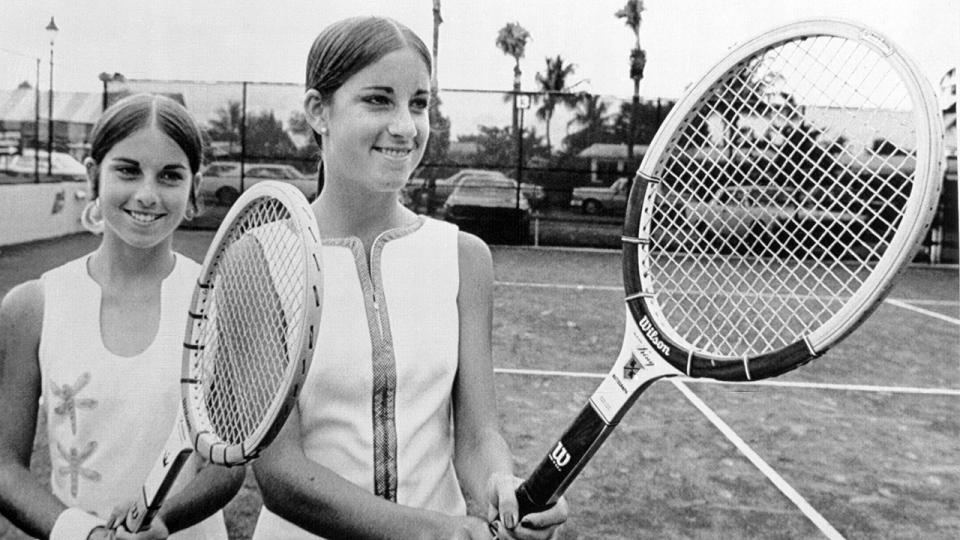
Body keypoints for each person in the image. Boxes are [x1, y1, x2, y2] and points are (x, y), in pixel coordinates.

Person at [251, 16, 568, 540]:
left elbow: (477, 433)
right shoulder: (261, 259)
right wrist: (428, 532)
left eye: (418, 103)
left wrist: (503, 489)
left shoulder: (466, 257)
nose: (405, 125)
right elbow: (282, 476)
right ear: (318, 111)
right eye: (379, 100)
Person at [0, 94, 244, 540]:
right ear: (94, 176)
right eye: (128, 170)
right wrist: (83, 533)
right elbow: (4, 468)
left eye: (170, 175)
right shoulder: (31, 306)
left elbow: (225, 469)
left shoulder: (220, 305)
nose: (147, 195)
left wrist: (164, 520)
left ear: (194, 188)